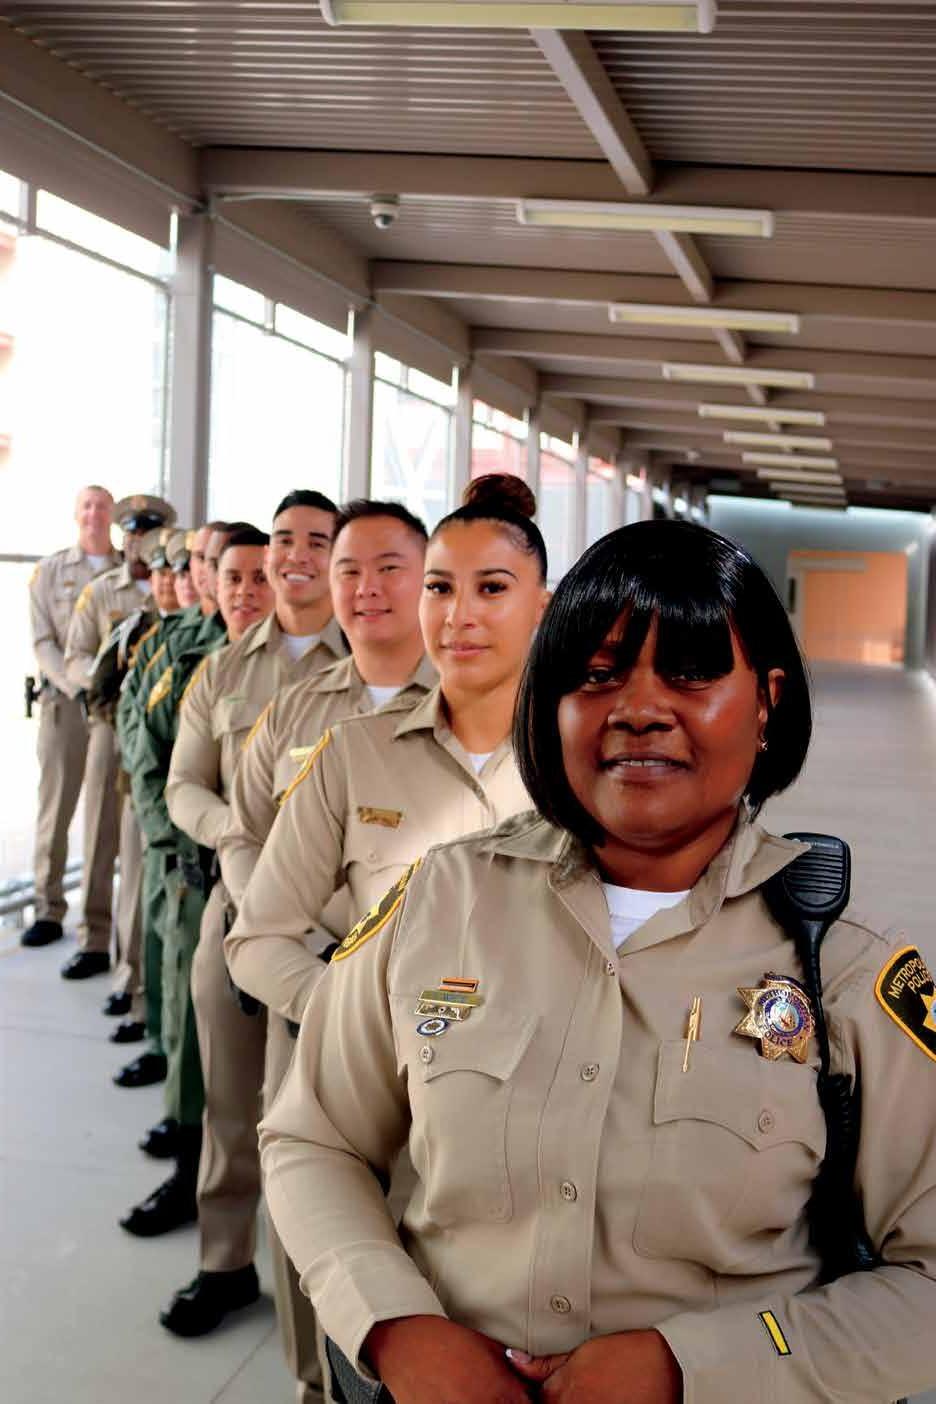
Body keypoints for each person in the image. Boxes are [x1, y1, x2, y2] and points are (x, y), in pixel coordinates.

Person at [259, 519, 936, 1404]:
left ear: (767, 702)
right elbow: (315, 1137)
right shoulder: (441, 899)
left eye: (690, 672)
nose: (639, 707)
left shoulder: (845, 964)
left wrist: (694, 1366)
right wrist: (395, 1326)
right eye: (596, 674)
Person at [159, 500, 433, 1373]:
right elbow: (231, 819)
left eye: (385, 567)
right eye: (345, 564)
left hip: (410, 983)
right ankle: (251, 1292)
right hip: (282, 955)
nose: (360, 584)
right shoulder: (280, 695)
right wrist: (270, 924)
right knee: (264, 1130)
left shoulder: (468, 701)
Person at [119, 527, 272, 1238]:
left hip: (287, 897)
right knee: (198, 1046)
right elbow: (159, 759)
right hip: (200, 868)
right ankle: (196, 1176)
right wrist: (175, 844)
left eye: (259, 576)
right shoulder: (196, 657)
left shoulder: (310, 671)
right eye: (223, 571)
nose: (238, 589)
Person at [61, 492, 175, 982]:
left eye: (146, 534)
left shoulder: (176, 588)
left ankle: (133, 962)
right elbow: (75, 656)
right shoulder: (103, 591)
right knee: (99, 833)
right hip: (110, 724)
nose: (136, 543)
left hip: (157, 733)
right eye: (130, 534)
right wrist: (108, 676)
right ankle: (93, 938)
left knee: (139, 846)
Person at [23, 485, 120, 950]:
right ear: (75, 513)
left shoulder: (130, 571)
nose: (94, 514)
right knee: (55, 811)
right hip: (63, 705)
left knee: (104, 821)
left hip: (112, 712)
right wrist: (75, 685)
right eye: (87, 506)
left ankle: (96, 921)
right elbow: (42, 641)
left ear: (112, 514)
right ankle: (48, 909)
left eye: (102, 506)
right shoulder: (51, 571)